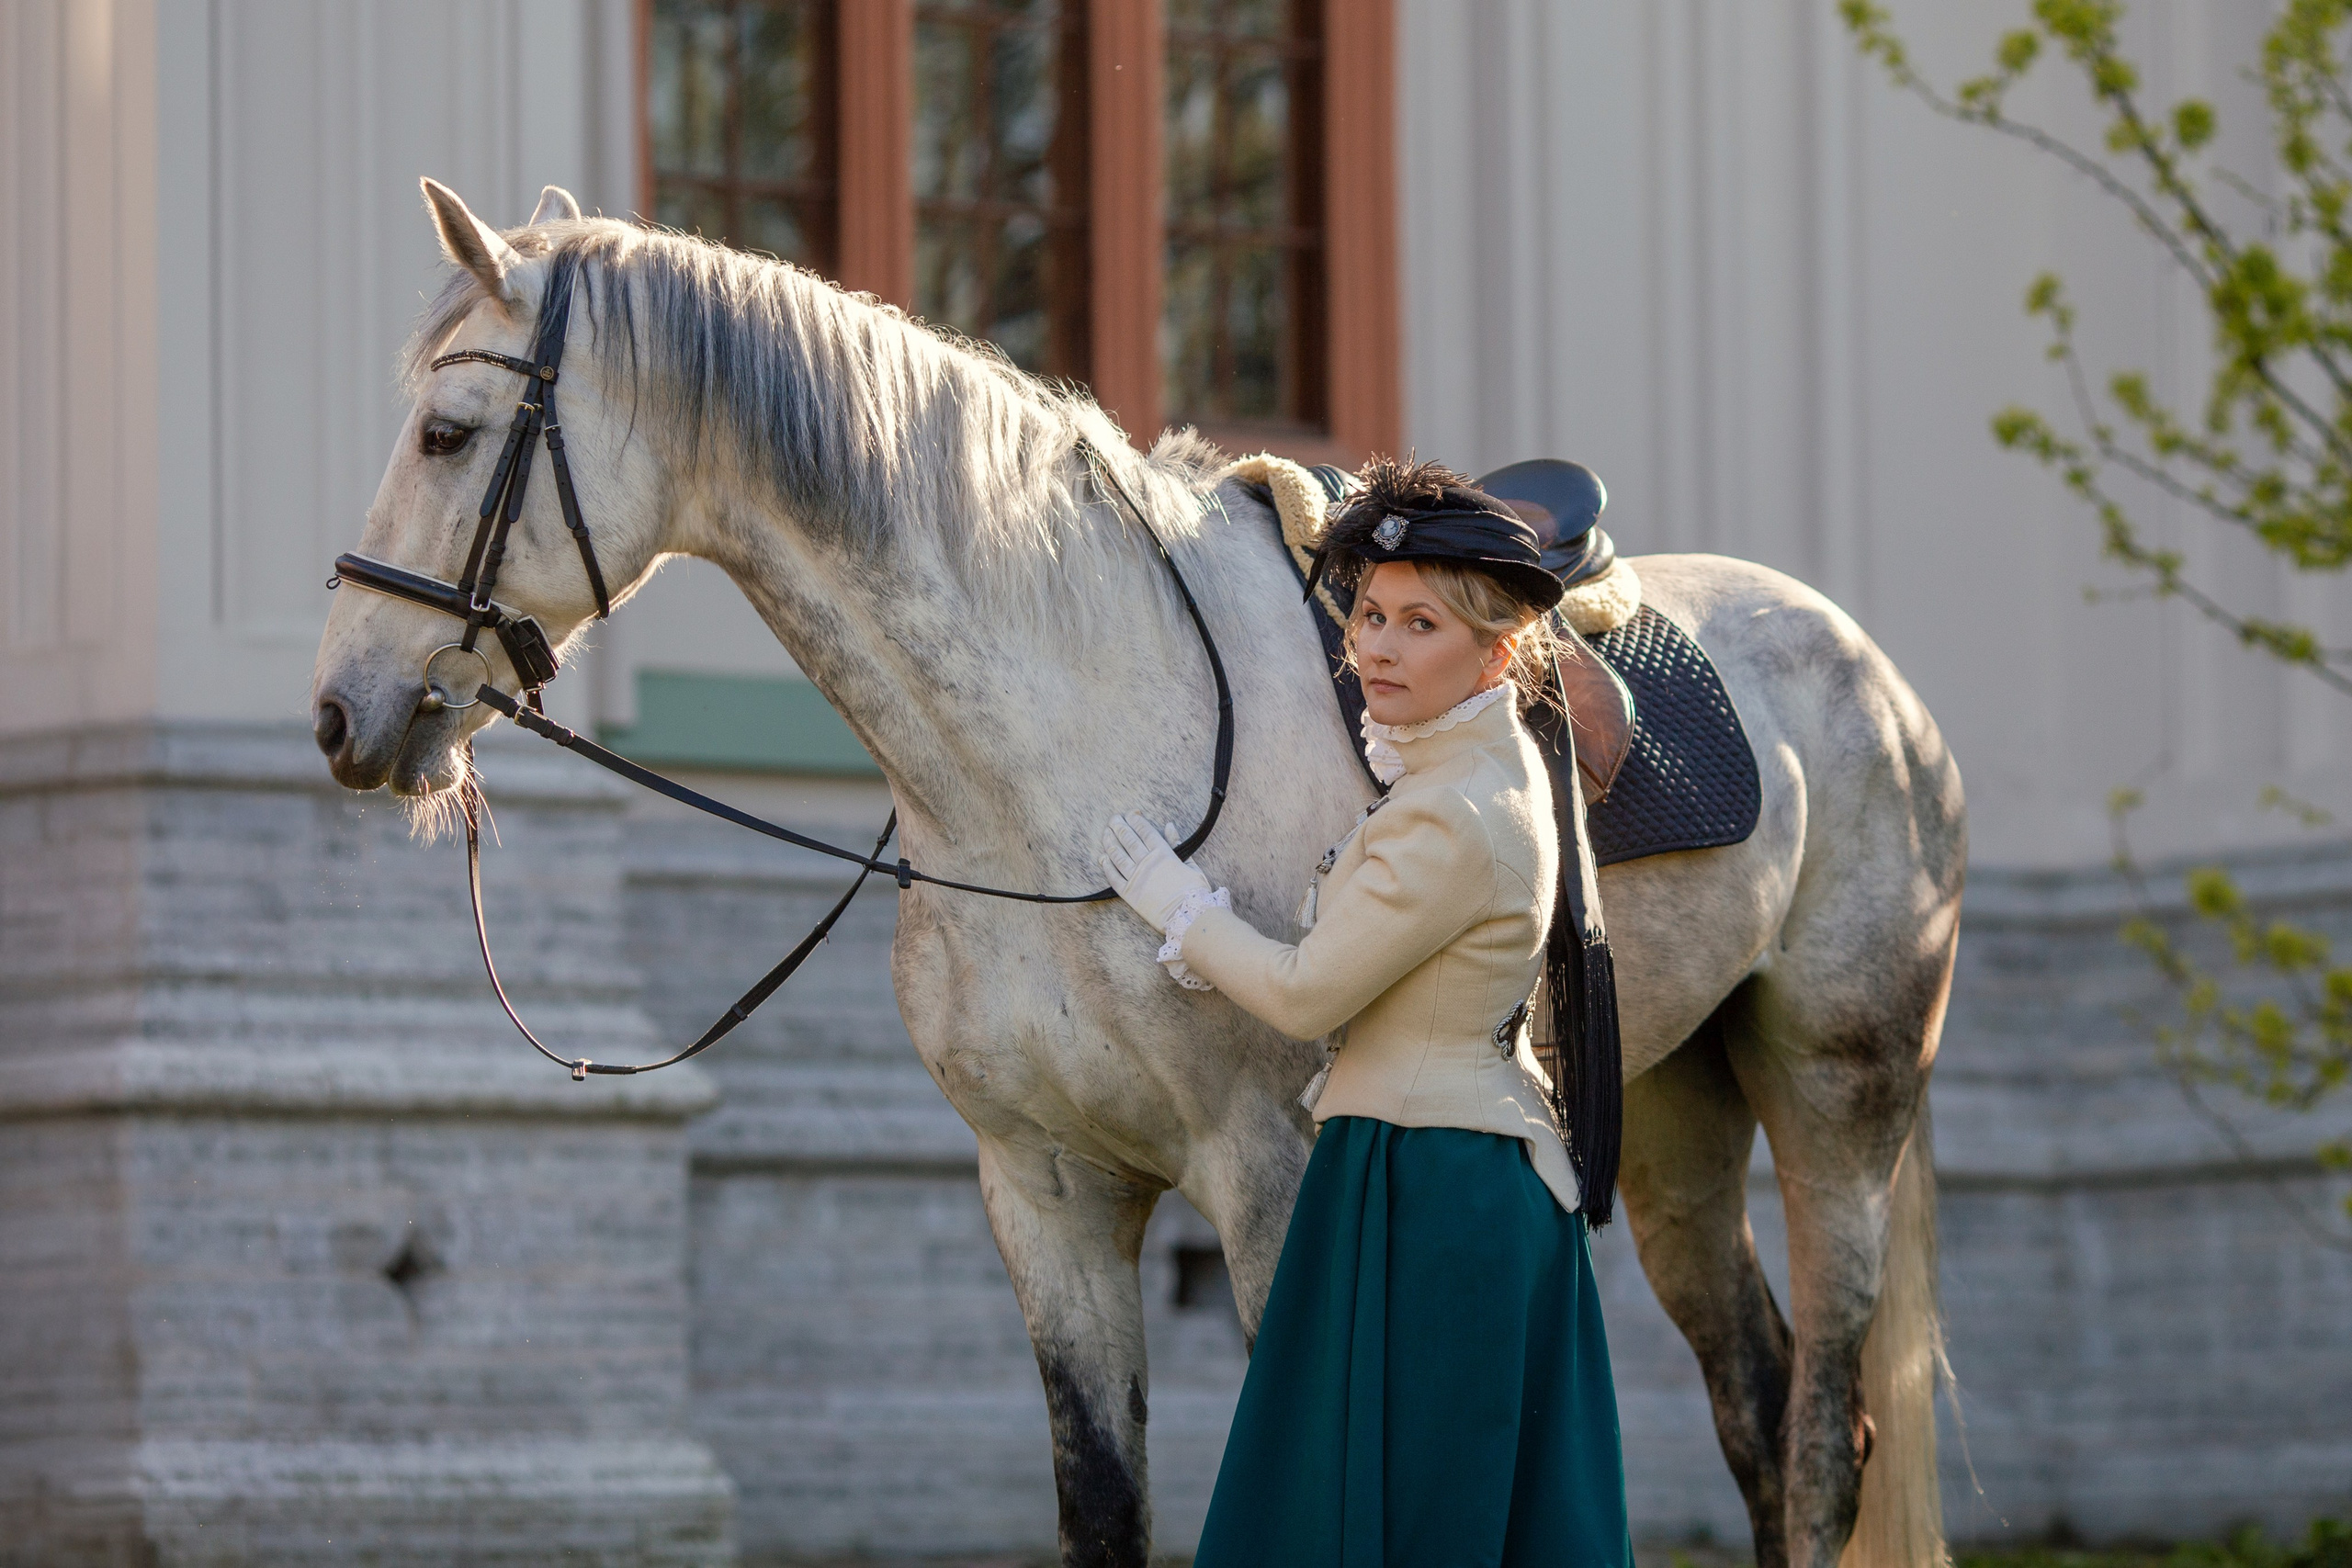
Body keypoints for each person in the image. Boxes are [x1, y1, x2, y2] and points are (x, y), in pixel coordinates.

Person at [1100, 457, 1634, 1567]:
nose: (1378, 649)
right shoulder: (1456, 780)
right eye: (1372, 617)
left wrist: (1182, 910)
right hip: (1433, 1168)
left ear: (1496, 651)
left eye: (1419, 625)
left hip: (1434, 1185)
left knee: (1412, 1515)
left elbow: (1307, 994)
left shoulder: (1451, 813)